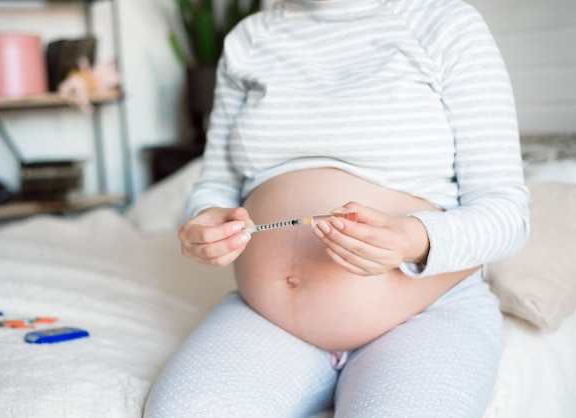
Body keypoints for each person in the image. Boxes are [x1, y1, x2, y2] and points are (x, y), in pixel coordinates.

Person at [144, 0, 529, 416]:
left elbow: (507, 212)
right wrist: (202, 220)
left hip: (426, 316)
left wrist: (411, 239)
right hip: (268, 317)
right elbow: (217, 184)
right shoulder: (250, 39)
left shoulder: (443, 24)